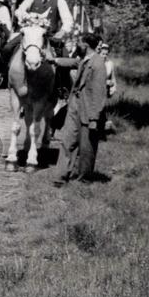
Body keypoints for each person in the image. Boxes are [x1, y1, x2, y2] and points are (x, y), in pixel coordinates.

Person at [0, 0, 74, 83]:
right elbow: (19, 11)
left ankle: (62, 86)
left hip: (48, 35)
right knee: (8, 47)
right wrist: (27, 16)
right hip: (29, 33)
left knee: (64, 57)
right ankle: (2, 74)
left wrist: (63, 31)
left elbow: (68, 19)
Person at [51, 33, 107, 187]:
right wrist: (53, 60)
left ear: (86, 45)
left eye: (79, 43)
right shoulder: (84, 60)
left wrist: (94, 118)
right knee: (67, 140)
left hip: (88, 110)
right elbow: (72, 62)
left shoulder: (98, 64)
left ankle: (84, 179)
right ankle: (60, 177)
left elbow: (99, 94)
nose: (77, 45)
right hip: (74, 106)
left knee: (87, 147)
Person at [93, 42, 117, 143]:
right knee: (95, 110)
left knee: (102, 110)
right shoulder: (94, 62)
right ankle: (95, 133)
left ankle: (100, 133)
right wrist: (104, 82)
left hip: (104, 91)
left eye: (106, 54)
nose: (104, 55)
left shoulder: (110, 64)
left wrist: (112, 87)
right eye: (103, 54)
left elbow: (113, 77)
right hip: (95, 90)